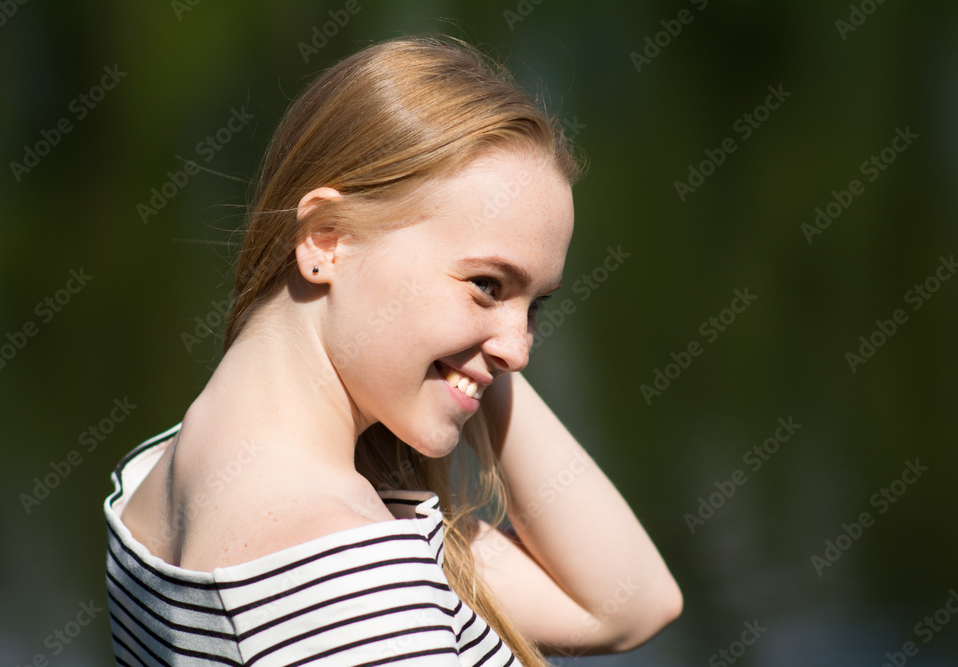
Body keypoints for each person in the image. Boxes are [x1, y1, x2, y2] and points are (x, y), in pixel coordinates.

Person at [103, 33, 682, 666]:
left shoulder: (158, 476)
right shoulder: (346, 581)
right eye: (487, 283)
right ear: (327, 238)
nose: (520, 351)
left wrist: (474, 341)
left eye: (536, 305)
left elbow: (627, 605)